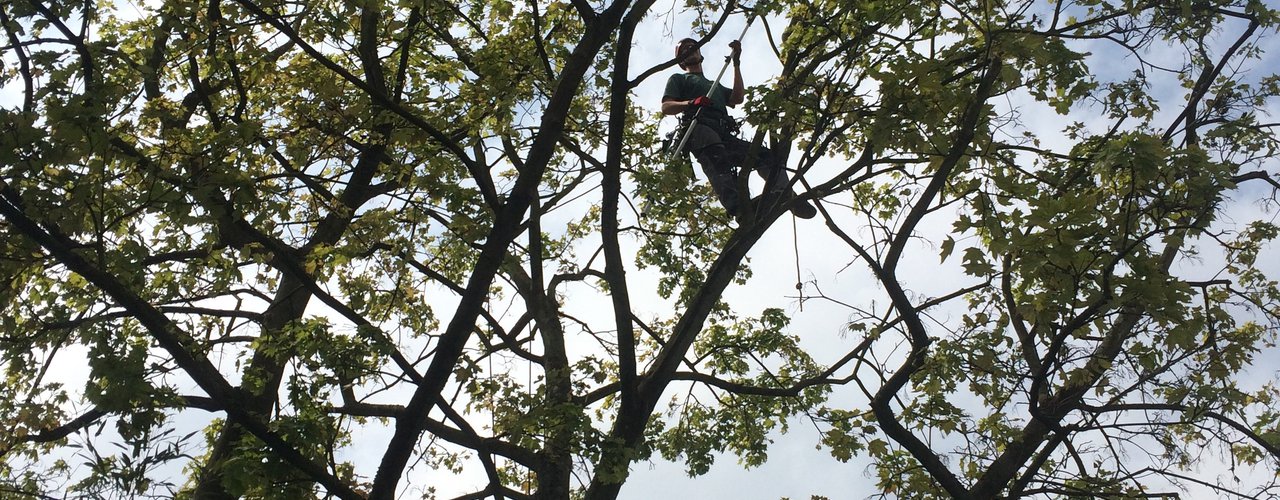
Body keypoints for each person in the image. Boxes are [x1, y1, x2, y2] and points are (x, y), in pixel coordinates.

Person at [662, 37, 817, 220]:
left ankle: (784, 193)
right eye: (685, 49)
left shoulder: (715, 85)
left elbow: (737, 98)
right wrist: (691, 102)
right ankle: (739, 207)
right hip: (700, 128)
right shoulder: (679, 79)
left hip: (723, 130)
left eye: (693, 47)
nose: (691, 49)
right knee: (718, 162)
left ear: (700, 54)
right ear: (681, 60)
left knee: (763, 155)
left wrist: (736, 63)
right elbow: (666, 107)